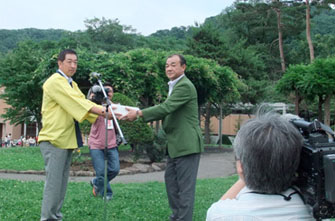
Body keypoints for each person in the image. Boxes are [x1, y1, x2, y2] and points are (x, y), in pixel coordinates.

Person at [122, 54, 204, 221]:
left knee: (184, 189)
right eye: (167, 65)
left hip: (187, 144)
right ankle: (176, 216)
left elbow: (166, 107)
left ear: (183, 67)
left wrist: (138, 113)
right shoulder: (175, 85)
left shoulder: (185, 86)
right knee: (172, 185)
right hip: (175, 145)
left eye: (173, 65)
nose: (169, 68)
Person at [38, 49, 117, 221]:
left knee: (61, 183)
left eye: (75, 62)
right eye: (69, 61)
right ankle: (48, 218)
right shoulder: (55, 82)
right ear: (60, 63)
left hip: (66, 138)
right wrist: (103, 112)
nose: (73, 65)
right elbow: (77, 103)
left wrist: (112, 109)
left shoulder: (71, 84)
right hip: (54, 138)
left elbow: (84, 103)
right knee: (54, 184)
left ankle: (55, 216)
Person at [206, 111, 314, 220]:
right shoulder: (312, 212)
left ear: (240, 167)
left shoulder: (220, 214)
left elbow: (219, 206)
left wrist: (246, 170)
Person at [88, 82, 120, 201]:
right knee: (101, 172)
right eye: (105, 91)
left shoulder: (114, 107)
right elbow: (87, 107)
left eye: (110, 91)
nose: (108, 93)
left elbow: (121, 113)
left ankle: (96, 182)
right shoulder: (96, 106)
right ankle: (107, 194)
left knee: (115, 169)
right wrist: (93, 98)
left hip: (111, 144)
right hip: (96, 144)